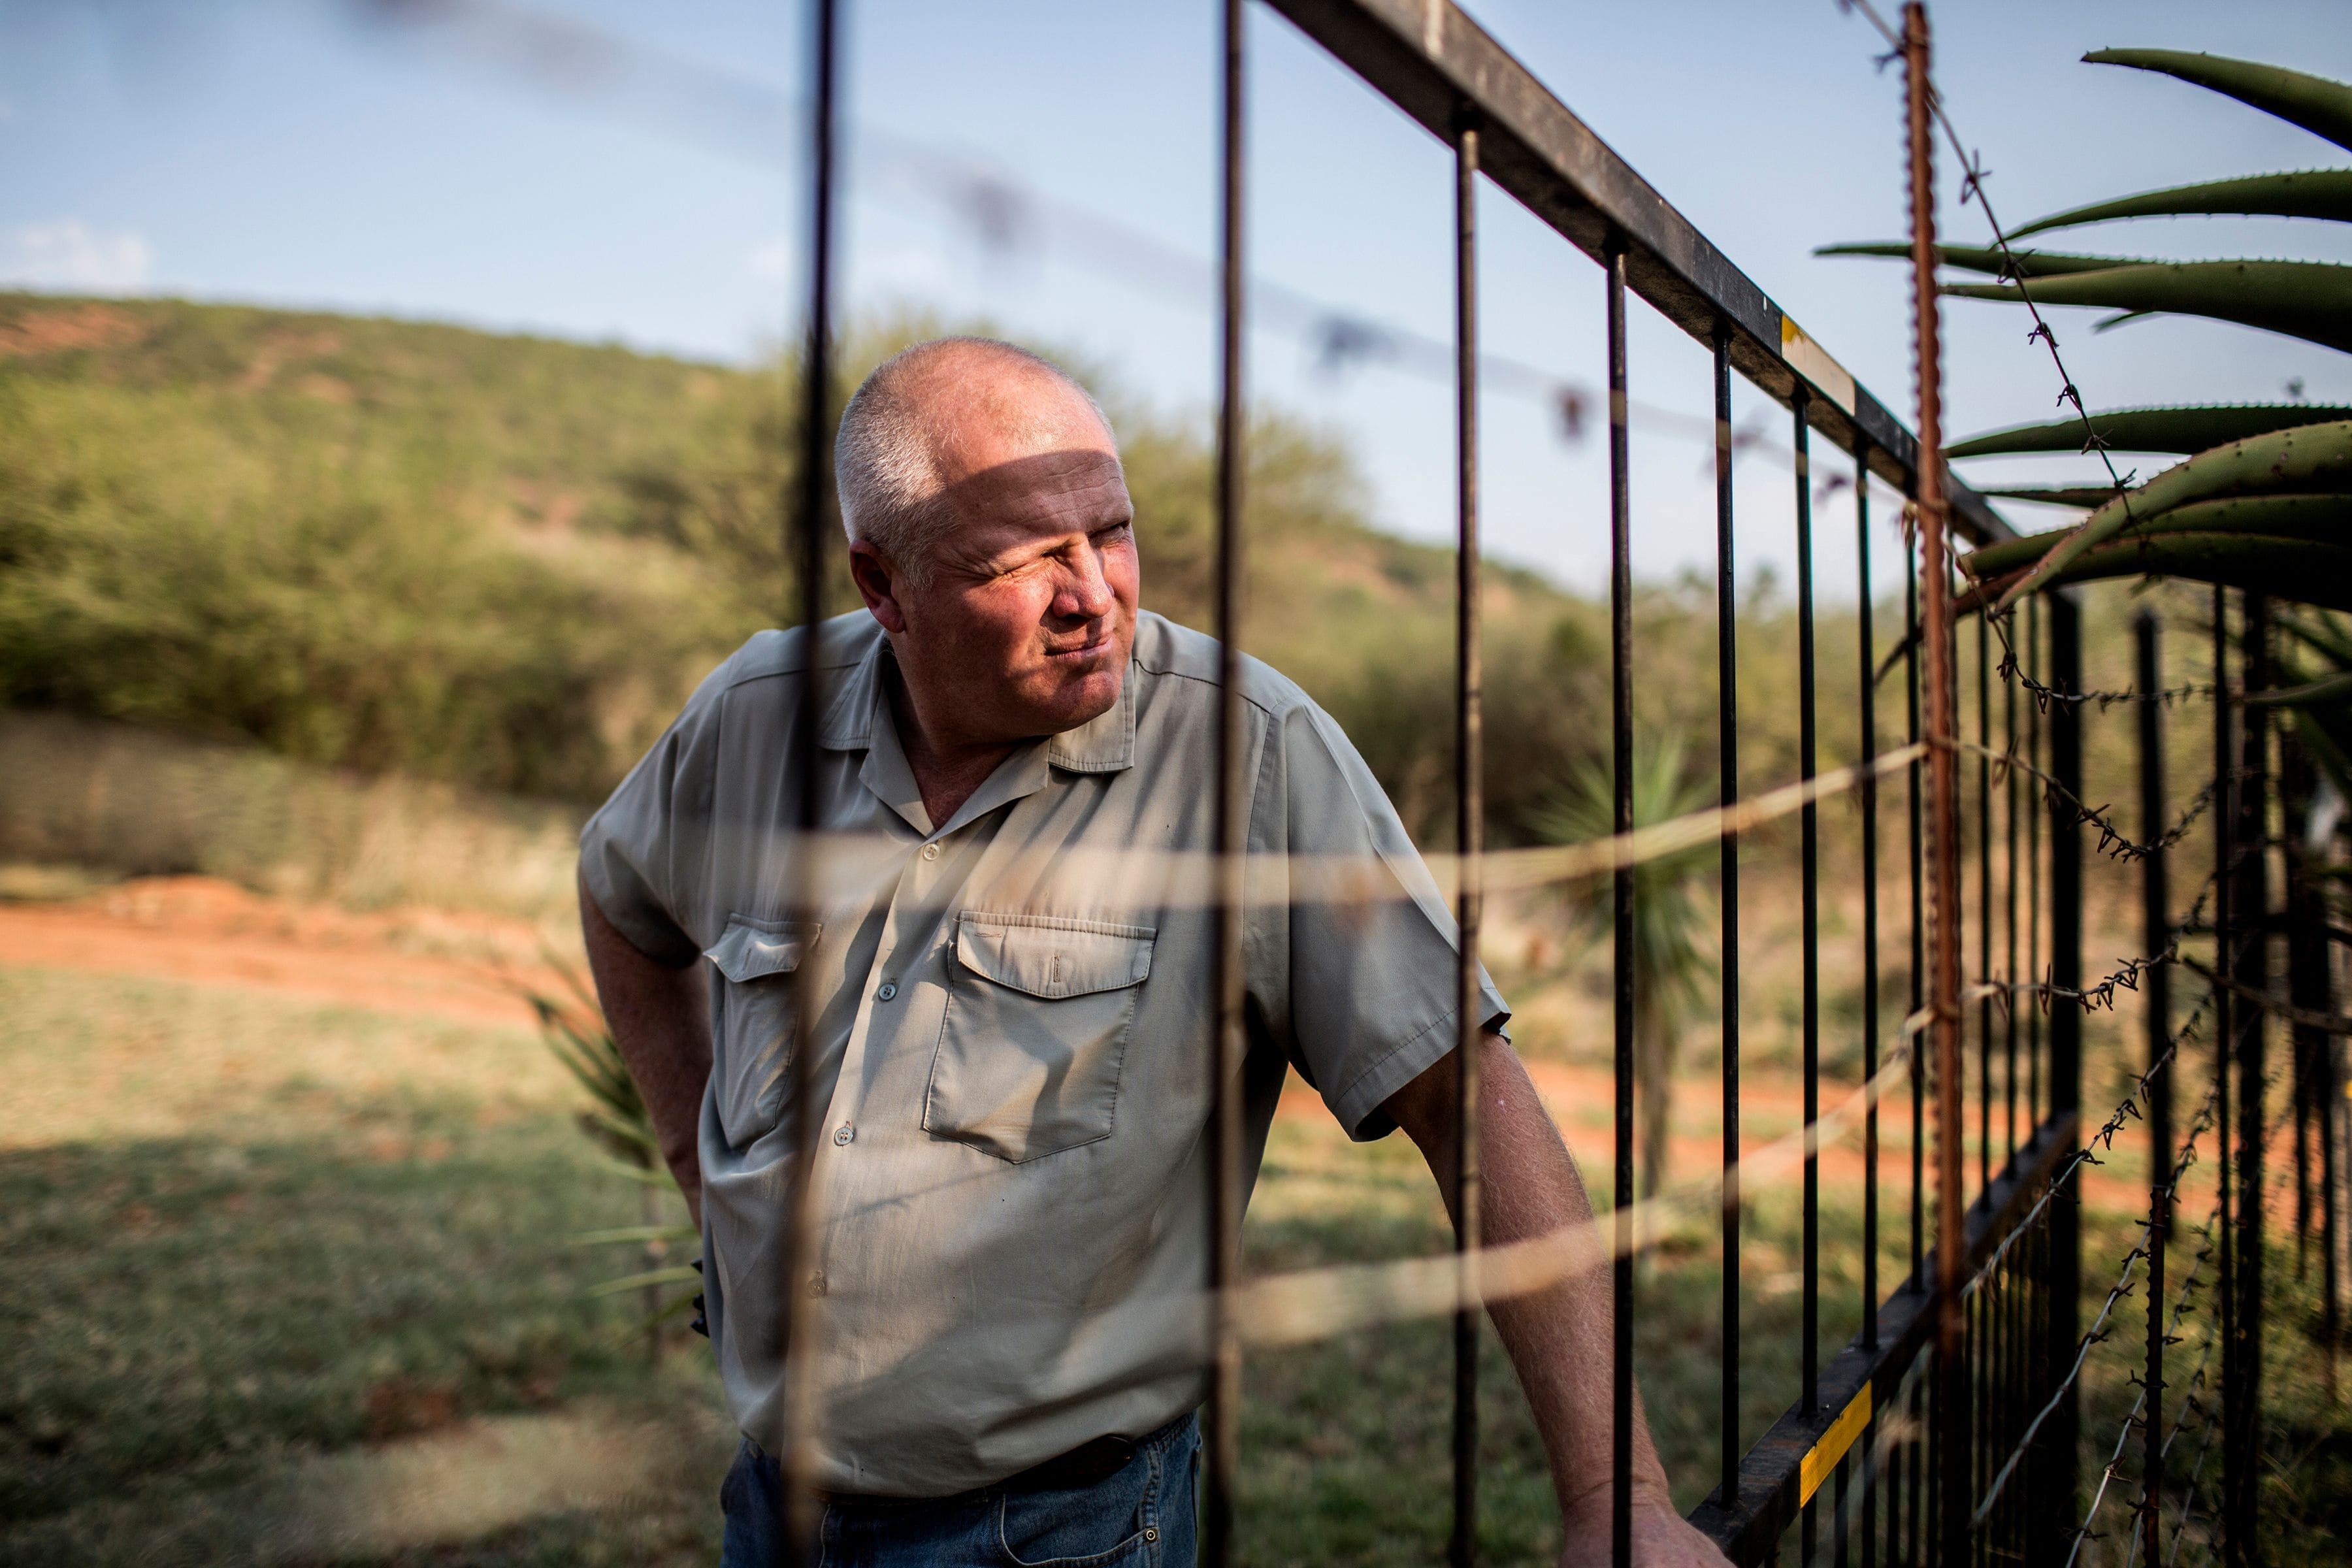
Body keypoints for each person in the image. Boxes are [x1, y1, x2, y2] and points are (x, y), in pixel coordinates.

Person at [578, 336, 1729, 1567]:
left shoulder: (1248, 755)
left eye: (1112, 533)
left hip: (1060, 1533)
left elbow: (1467, 1097)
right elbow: (622, 902)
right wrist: (708, 1188)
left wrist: (1622, 1500)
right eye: (1023, 560)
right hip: (772, 1505)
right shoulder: (761, 716)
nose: (1094, 596)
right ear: (882, 582)